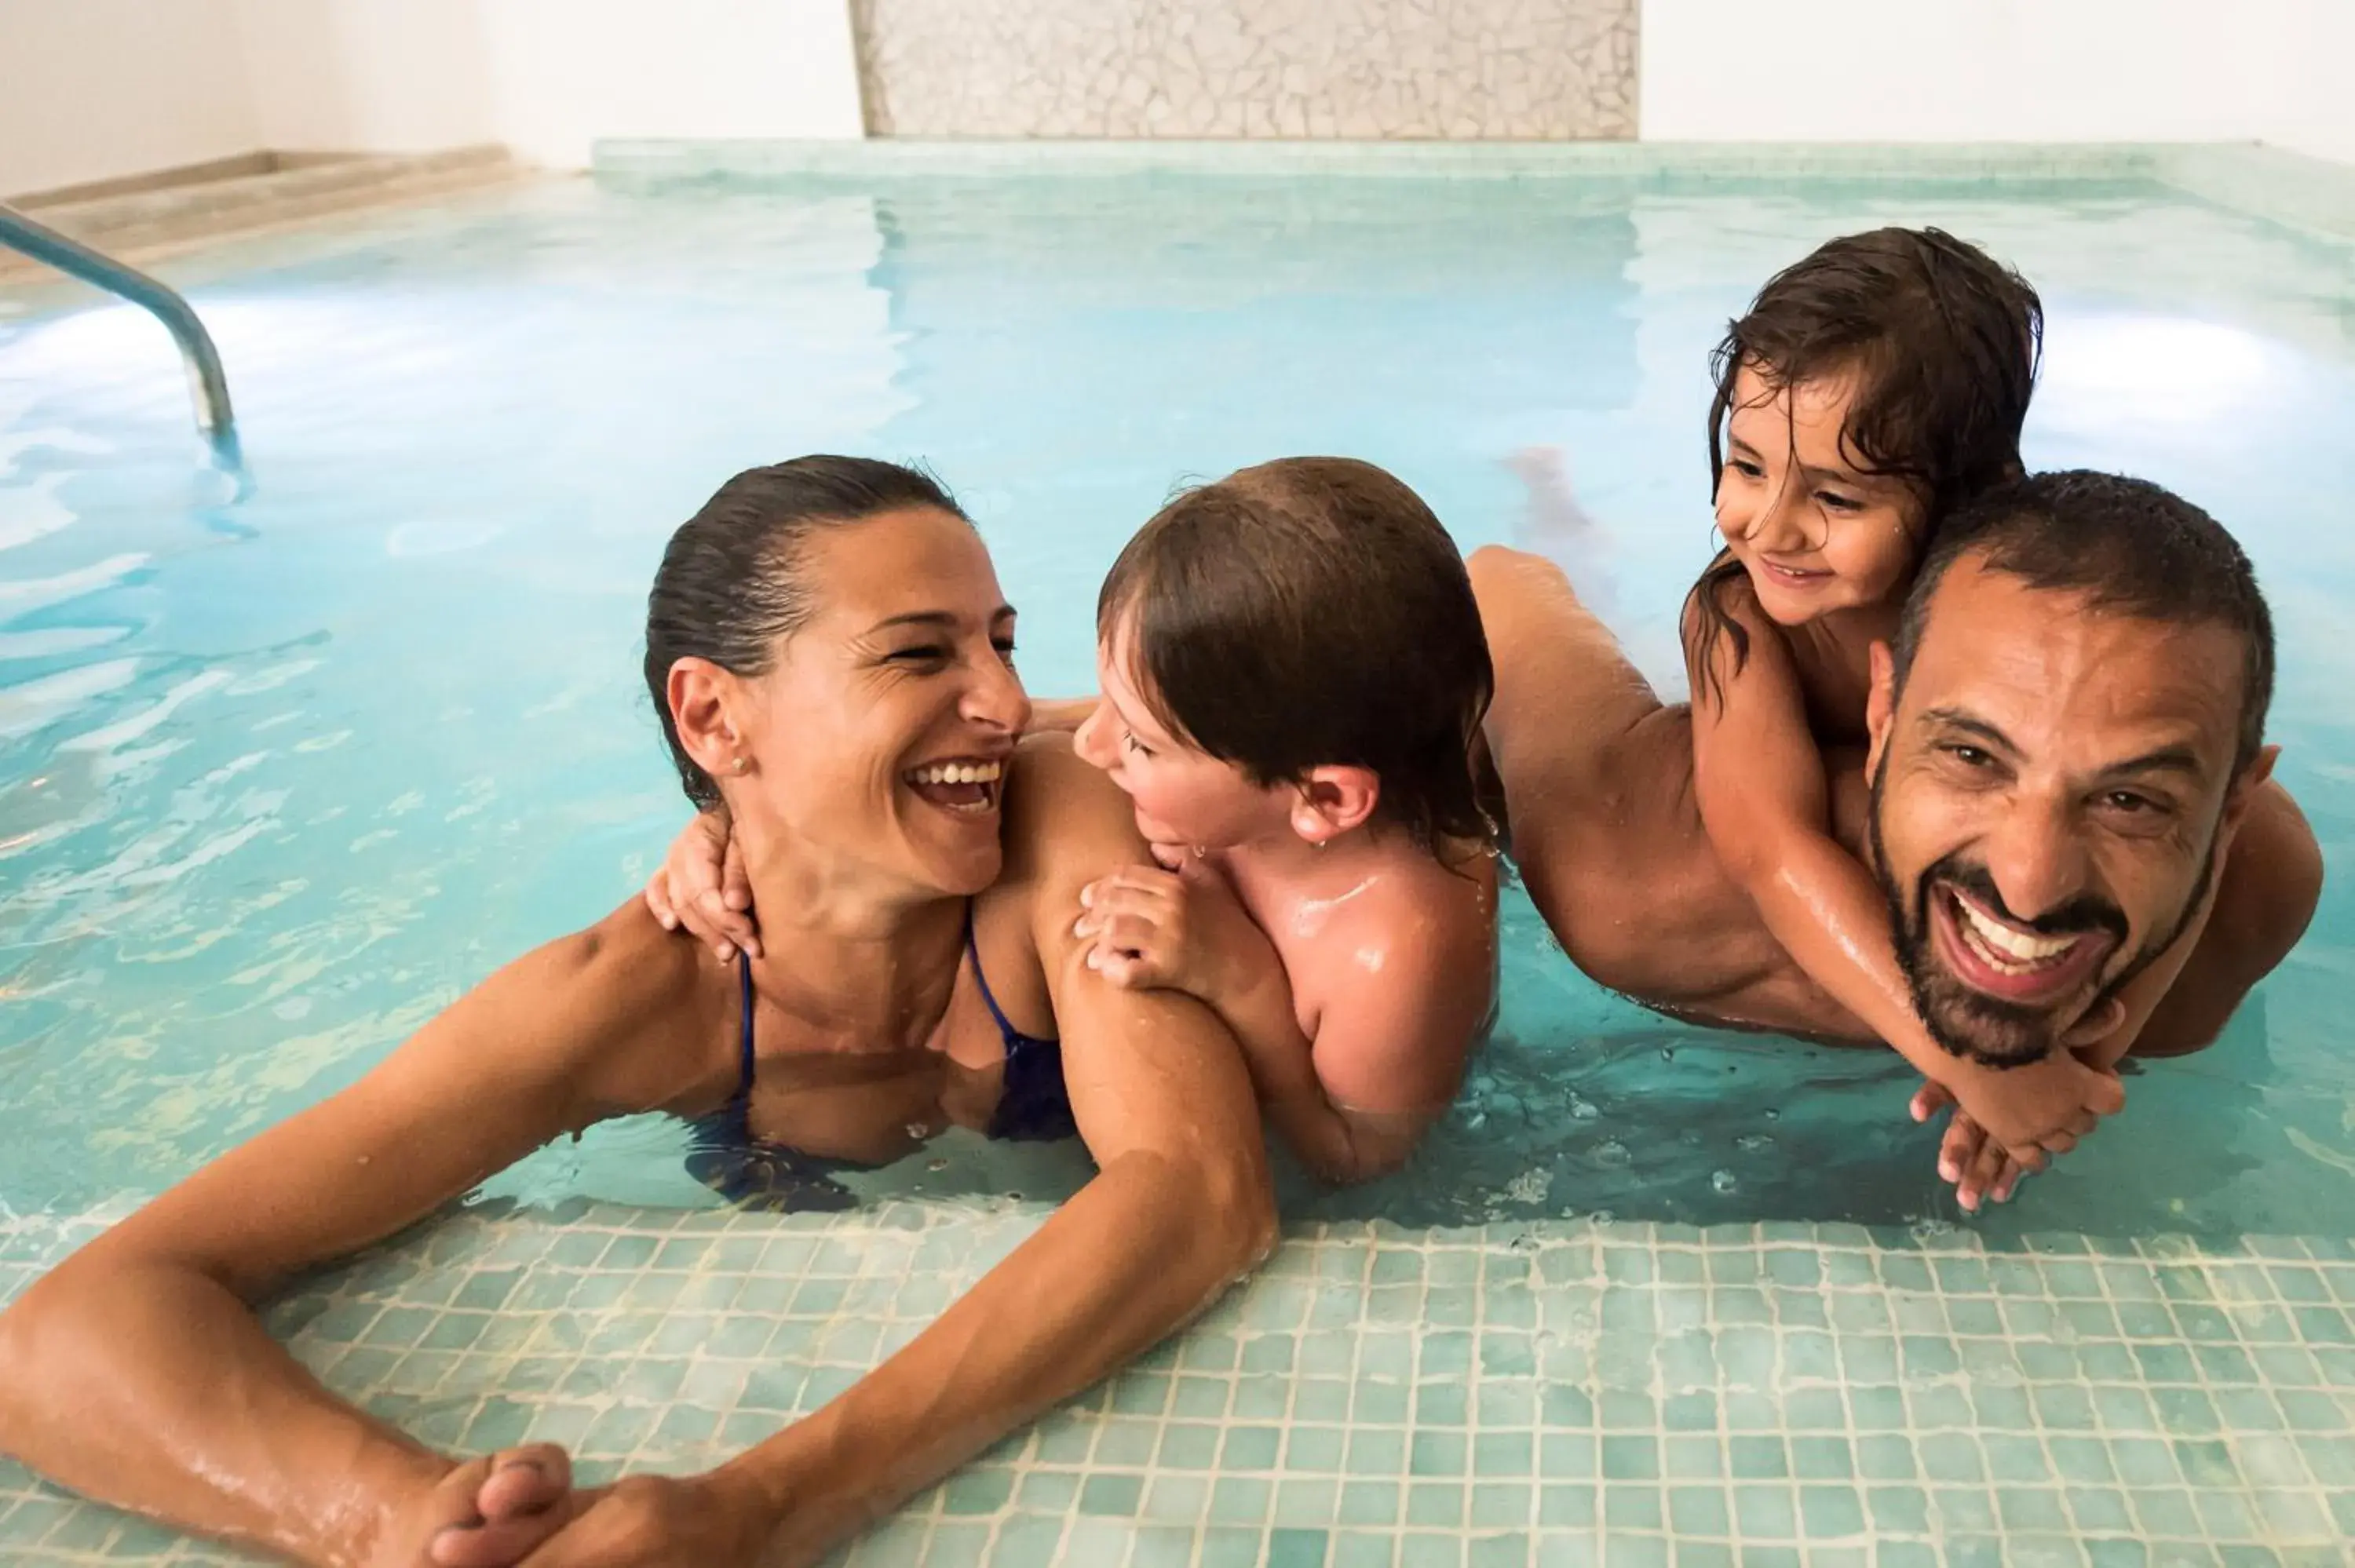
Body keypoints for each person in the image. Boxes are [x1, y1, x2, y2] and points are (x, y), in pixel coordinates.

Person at [0, 457, 1277, 1567]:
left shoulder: (1064, 830)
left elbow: (1200, 1189)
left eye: (999, 639)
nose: (1004, 699)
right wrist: (388, 1518)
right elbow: (68, 1327)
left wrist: (765, 1506)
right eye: (920, 652)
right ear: (716, 714)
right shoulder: (629, 999)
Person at [1473, 466, 2321, 1212]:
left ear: (2230, 807)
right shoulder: (1632, 875)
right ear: (1882, 717)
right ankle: (1556, 495)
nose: (2030, 886)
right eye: (1971, 756)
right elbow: (1496, 587)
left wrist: (2091, 1054)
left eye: (2129, 800)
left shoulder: (2255, 897)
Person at [658, 458, 1500, 1183]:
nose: (1087, 741)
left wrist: (1242, 982)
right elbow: (974, 741)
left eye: (1136, 740)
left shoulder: (1395, 947)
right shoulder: (1242, 759)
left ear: (1321, 801)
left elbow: (1352, 1160)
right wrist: (733, 818)